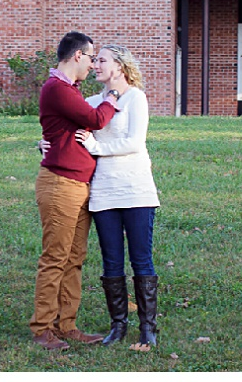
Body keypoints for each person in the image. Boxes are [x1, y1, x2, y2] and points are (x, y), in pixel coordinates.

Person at [30, 31, 119, 351]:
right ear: (78, 56)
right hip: (60, 185)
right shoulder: (57, 88)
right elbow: (94, 119)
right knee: (55, 258)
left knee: (74, 258)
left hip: (79, 185)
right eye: (91, 57)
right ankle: (42, 328)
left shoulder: (70, 90)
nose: (94, 63)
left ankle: (65, 324)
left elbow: (61, 131)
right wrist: (113, 98)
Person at [77, 44, 160, 348]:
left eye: (102, 60)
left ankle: (148, 328)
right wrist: (45, 145)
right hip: (103, 191)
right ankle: (118, 326)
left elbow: (134, 142)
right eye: (94, 59)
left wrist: (96, 147)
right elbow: (68, 134)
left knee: (141, 260)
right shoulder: (90, 102)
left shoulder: (136, 98)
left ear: (120, 67)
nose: (95, 64)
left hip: (137, 190)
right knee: (111, 262)